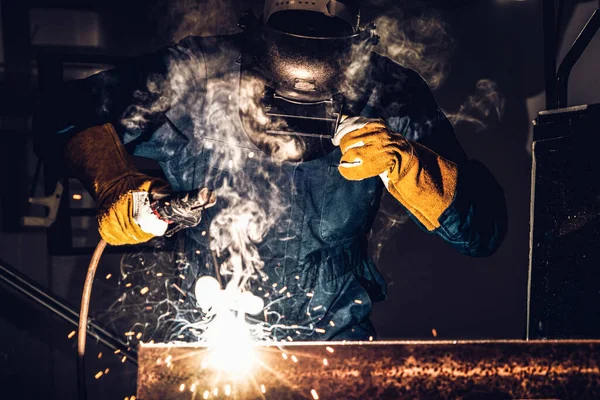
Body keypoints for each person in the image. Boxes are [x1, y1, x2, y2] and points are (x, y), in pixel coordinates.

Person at [34, 0, 507, 341]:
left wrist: (409, 164)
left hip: (334, 337)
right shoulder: (194, 75)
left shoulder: (391, 93)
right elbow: (60, 116)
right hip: (208, 325)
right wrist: (116, 182)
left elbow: (484, 231)